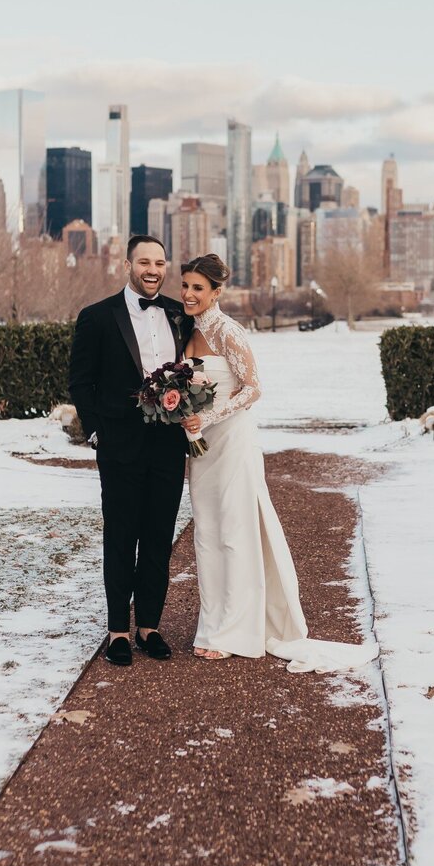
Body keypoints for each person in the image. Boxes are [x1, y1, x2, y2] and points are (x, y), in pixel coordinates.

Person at [178, 253, 375, 674]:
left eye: (198, 288)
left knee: (236, 532)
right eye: (186, 286)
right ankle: (211, 627)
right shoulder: (187, 332)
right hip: (203, 450)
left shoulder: (229, 332)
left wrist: (207, 418)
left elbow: (252, 389)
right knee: (207, 535)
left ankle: (237, 632)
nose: (189, 294)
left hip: (233, 441)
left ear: (216, 291)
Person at [68, 235, 192, 667]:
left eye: (160, 262)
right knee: (121, 538)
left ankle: (149, 627)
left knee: (159, 538)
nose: (153, 270)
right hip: (119, 446)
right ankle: (118, 631)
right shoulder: (97, 317)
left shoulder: (180, 314)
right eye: (144, 262)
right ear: (127, 266)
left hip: (168, 445)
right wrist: (96, 433)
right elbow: (80, 382)